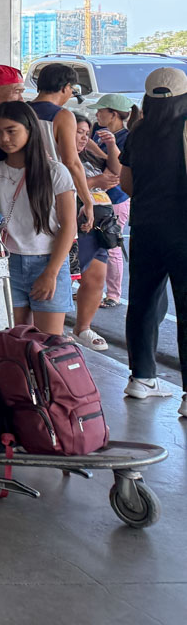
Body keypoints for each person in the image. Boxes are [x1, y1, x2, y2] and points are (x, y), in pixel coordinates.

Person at [119, 68, 187, 410]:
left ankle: (141, 378)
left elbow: (127, 184)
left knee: (143, 302)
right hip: (182, 230)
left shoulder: (138, 132)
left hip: (144, 228)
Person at [0, 102, 77, 337]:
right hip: (7, 262)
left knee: (48, 343)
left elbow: (69, 226)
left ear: (30, 130)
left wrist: (51, 272)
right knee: (16, 340)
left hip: (47, 261)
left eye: (11, 131)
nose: (4, 138)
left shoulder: (56, 172)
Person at [72, 111, 118, 351]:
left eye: (86, 134)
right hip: (77, 223)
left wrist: (109, 145)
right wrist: (96, 182)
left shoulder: (88, 155)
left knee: (96, 278)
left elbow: (117, 170)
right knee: (66, 277)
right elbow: (63, 185)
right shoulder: (60, 157)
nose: (82, 138)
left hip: (101, 223)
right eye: (78, 132)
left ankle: (83, 328)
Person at [28, 63, 94, 233]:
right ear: (66, 88)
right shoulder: (63, 116)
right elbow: (71, 162)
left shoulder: (21, 111)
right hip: (54, 191)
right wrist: (87, 200)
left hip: (22, 185)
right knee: (60, 242)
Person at [92, 93, 138, 307]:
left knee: (112, 245)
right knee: (91, 246)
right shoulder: (96, 131)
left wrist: (110, 147)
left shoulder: (126, 138)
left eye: (101, 111)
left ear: (113, 114)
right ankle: (92, 289)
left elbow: (118, 170)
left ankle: (113, 294)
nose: (97, 114)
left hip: (116, 199)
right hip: (94, 196)